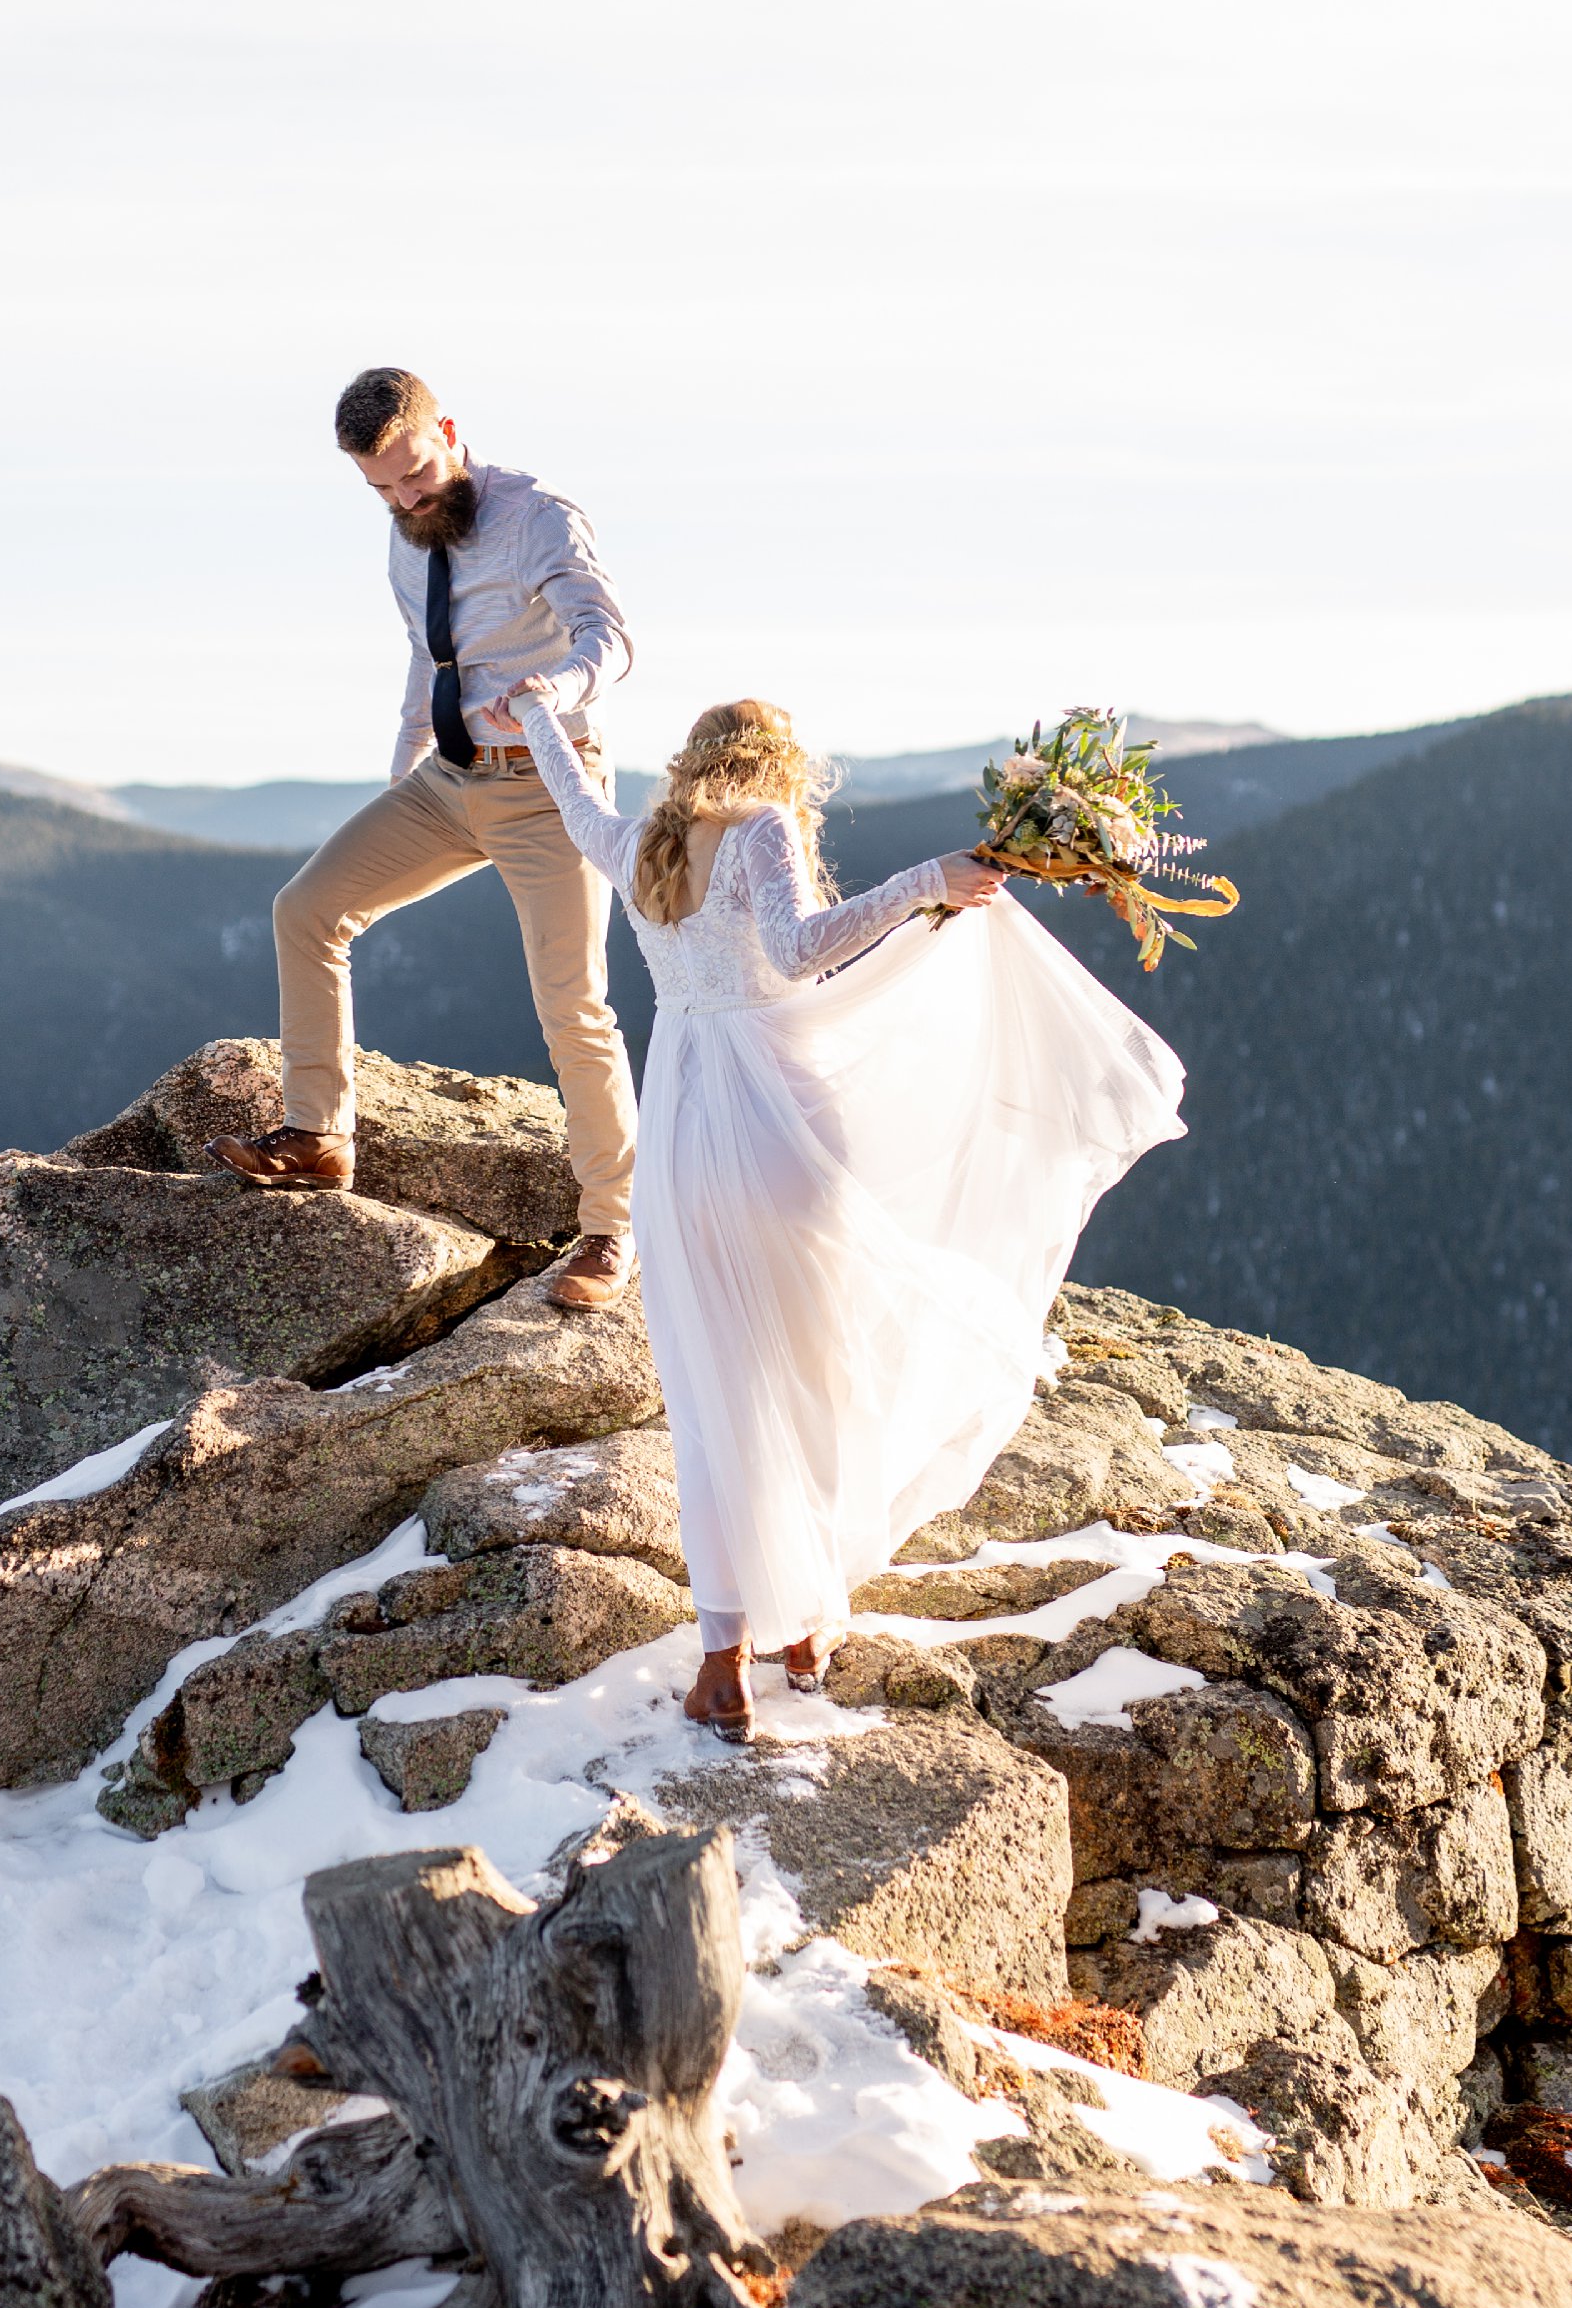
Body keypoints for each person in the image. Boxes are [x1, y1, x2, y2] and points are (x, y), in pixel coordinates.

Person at [501, 682, 1189, 1739]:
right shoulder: (762, 827)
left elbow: (566, 793)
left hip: (678, 1135)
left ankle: (722, 1658)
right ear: (780, 767)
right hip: (778, 1127)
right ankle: (809, 1623)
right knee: (814, 1372)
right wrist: (928, 883)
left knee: (710, 1392)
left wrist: (537, 713)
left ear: (690, 759)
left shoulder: (636, 840)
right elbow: (796, 949)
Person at [211, 368, 641, 1311]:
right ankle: (319, 1137)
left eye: (414, 475)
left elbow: (607, 636)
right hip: (447, 781)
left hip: (547, 782)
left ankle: (612, 1229)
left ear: (447, 428)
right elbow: (428, 649)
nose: (406, 499)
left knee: (573, 1008)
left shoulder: (539, 517)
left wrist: (546, 695)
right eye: (382, 488)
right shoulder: (406, 535)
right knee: (307, 909)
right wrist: (402, 770)